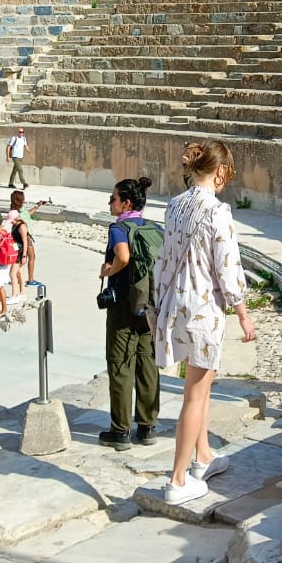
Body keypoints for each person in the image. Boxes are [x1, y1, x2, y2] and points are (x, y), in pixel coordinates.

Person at [154, 141, 256, 506]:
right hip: (202, 308)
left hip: (175, 303)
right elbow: (228, 269)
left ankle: (203, 456)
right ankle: (178, 480)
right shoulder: (217, 212)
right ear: (220, 172)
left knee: (201, 383)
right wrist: (243, 313)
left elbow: (164, 259)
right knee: (195, 393)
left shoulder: (175, 205)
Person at [98, 176, 161, 450]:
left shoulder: (119, 228)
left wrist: (108, 271)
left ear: (126, 203)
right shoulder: (153, 228)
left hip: (123, 305)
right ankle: (147, 427)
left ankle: (120, 431)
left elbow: (122, 256)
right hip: (148, 304)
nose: (110, 203)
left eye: (113, 198)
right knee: (147, 363)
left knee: (121, 363)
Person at [8, 189, 34, 298]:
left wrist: (23, 255)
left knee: (15, 271)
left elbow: (24, 239)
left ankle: (28, 282)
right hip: (24, 240)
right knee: (19, 270)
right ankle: (23, 291)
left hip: (24, 241)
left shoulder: (17, 213)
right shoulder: (19, 211)